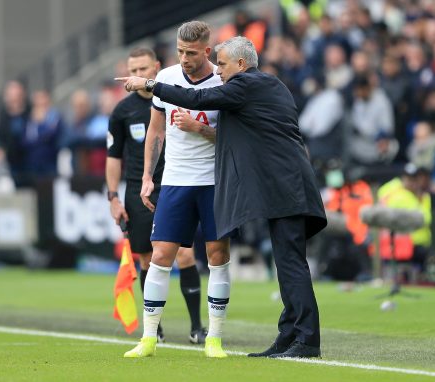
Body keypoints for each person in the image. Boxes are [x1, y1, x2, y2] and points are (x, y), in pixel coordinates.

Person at [117, 36, 327, 358]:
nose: (219, 72)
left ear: (241, 65)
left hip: (287, 187)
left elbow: (197, 97)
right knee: (286, 262)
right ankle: (289, 335)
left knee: (291, 263)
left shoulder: (245, 85)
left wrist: (149, 83)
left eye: (224, 65)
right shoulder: (267, 85)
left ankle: (306, 340)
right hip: (283, 185)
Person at [121, 21, 231, 359]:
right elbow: (156, 132)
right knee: (160, 256)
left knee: (217, 257)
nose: (184, 58)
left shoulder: (224, 82)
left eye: (192, 53)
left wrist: (200, 128)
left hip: (214, 182)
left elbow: (233, 138)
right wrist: (148, 178)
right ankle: (149, 338)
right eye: (181, 51)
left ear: (206, 51)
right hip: (175, 181)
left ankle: (213, 338)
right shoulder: (166, 79)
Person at [105, 47, 207, 345]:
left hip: (176, 183)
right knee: (148, 257)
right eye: (133, 70)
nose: (138, 75)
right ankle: (155, 328)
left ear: (157, 68)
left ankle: (197, 327)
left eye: (143, 69)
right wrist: (113, 197)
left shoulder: (173, 96)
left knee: (185, 253)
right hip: (139, 189)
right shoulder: (122, 111)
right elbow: (113, 157)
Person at [0, 81, 30, 187]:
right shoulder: (4, 116)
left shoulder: (30, 112)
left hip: (29, 160)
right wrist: (0, 149)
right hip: (13, 160)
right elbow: (0, 136)